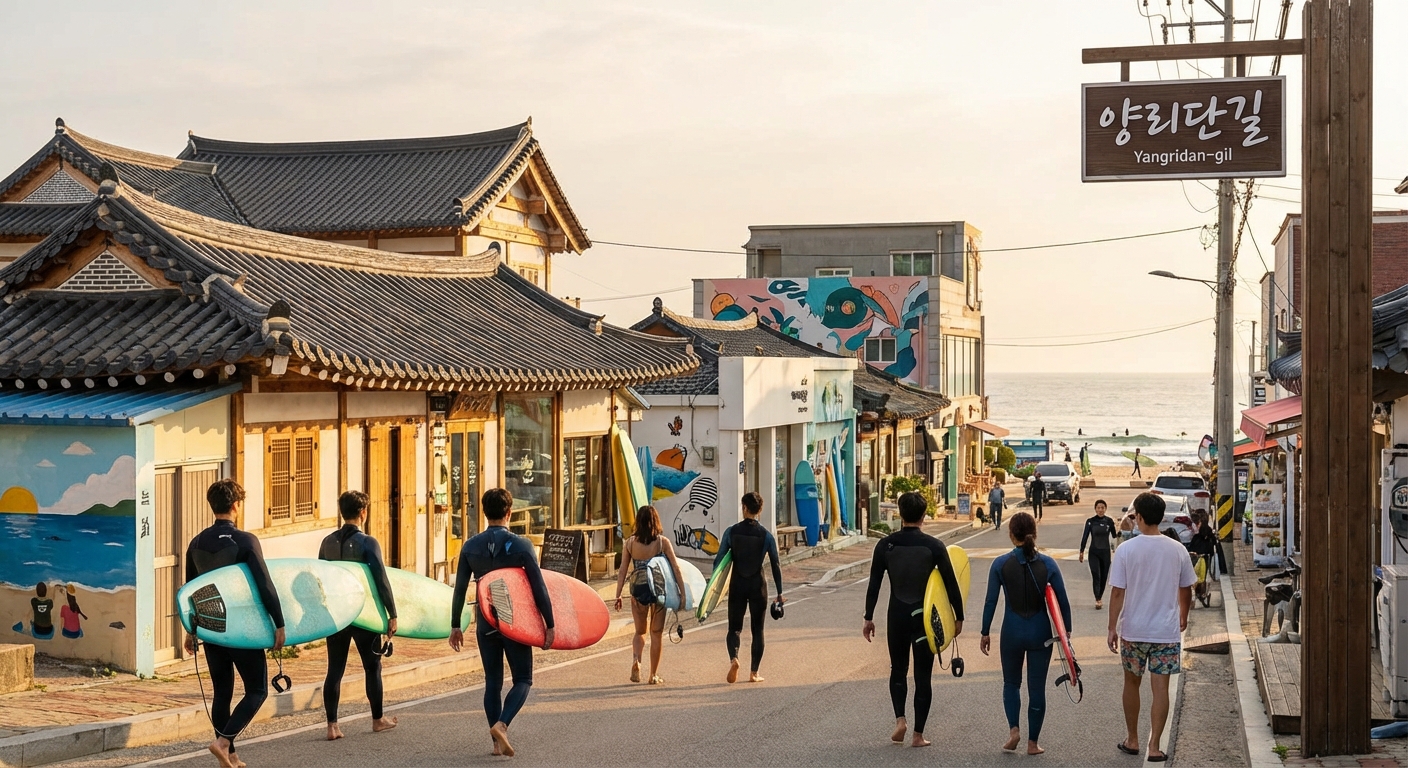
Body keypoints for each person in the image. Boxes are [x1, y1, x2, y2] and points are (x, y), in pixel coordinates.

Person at [184, 480, 285, 768]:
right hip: (242, 628)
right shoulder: (245, 541)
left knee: (222, 693)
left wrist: (190, 630)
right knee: (257, 690)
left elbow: (191, 591)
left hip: (212, 627)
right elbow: (264, 584)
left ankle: (229, 756)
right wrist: (279, 622)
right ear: (236, 505)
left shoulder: (196, 543)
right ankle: (223, 742)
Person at [450, 488, 554, 758]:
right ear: (509, 512)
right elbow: (539, 587)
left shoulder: (470, 546)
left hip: (486, 621)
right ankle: (502, 725)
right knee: (523, 679)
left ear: (485, 513)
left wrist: (455, 625)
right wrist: (550, 624)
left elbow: (460, 589)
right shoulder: (522, 545)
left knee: (492, 681)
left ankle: (496, 745)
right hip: (513, 620)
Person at [863, 492, 964, 748]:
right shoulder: (934, 546)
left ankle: (900, 720)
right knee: (922, 676)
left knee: (898, 670)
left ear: (900, 513)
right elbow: (951, 584)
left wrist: (868, 617)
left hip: (896, 616)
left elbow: (874, 584)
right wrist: (958, 617)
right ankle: (918, 735)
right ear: (923, 515)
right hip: (923, 620)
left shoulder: (885, 545)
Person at [1108, 493, 1196, 762]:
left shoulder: (1126, 550)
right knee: (1161, 689)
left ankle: (1132, 739)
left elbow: (1117, 592)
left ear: (1139, 517)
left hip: (1134, 631)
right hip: (1165, 632)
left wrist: (1112, 627)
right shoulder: (1177, 549)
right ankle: (1155, 746)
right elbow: (1186, 588)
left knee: (1131, 684)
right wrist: (1183, 615)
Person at [979, 511, 1071, 756]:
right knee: (1036, 688)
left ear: (1011, 535)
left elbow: (990, 601)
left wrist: (985, 631)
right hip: (1040, 632)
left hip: (1012, 631)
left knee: (1011, 683)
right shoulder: (1048, 564)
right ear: (1035, 533)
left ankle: (1013, 730)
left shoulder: (1000, 564)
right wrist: (1067, 633)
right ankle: (1032, 744)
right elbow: (1062, 601)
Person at [319, 491, 398, 740]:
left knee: (335, 670)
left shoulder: (327, 542)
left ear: (342, 511)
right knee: (372, 666)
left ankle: (332, 726)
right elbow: (381, 579)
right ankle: (378, 720)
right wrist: (392, 613)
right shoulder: (368, 542)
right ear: (363, 512)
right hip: (364, 615)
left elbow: (321, 578)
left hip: (338, 615)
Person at [713, 492, 785, 683]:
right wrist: (779, 592)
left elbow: (719, 561)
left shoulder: (731, 532)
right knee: (757, 630)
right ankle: (754, 673)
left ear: (744, 508)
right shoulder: (766, 536)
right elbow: (776, 564)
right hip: (757, 586)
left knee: (734, 628)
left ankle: (734, 659)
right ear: (759, 510)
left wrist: (713, 589)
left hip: (737, 584)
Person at [612, 505, 685, 685]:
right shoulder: (662, 542)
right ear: (655, 521)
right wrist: (682, 593)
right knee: (656, 633)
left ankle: (637, 660)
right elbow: (676, 568)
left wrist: (618, 594)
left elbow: (622, 571)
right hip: (658, 590)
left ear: (638, 521)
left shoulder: (630, 543)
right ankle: (653, 675)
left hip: (638, 589)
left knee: (639, 631)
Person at [1079, 500, 1118, 609]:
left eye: (1102, 508)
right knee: (1096, 575)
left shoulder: (1109, 521)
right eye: (1098, 508)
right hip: (1094, 552)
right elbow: (1085, 536)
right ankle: (1098, 599)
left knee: (1104, 577)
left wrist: (1117, 526)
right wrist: (1081, 551)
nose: (1100, 510)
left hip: (1105, 553)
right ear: (1095, 509)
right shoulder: (1090, 521)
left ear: (1105, 509)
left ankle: (1100, 595)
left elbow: (1114, 535)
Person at [1187, 511, 1228, 606]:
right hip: (1207, 561)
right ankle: (1203, 594)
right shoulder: (1210, 537)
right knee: (1203, 578)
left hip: (1198, 561)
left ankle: (1201, 595)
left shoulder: (1197, 538)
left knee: (1198, 578)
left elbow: (1191, 550)